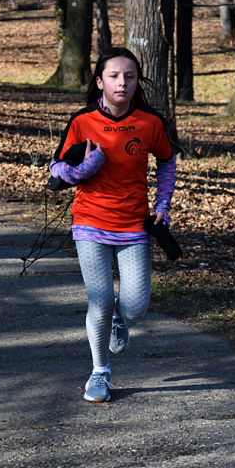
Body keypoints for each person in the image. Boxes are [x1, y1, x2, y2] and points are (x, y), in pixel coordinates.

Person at [50, 47, 177, 402]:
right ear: (100, 81)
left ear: (138, 82)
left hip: (134, 224)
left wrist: (162, 205)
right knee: (101, 299)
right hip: (89, 221)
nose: (122, 82)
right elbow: (56, 170)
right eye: (114, 76)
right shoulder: (81, 122)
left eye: (130, 76)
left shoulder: (151, 124)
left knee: (135, 306)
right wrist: (82, 170)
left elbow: (168, 162)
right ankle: (100, 374)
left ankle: (119, 319)